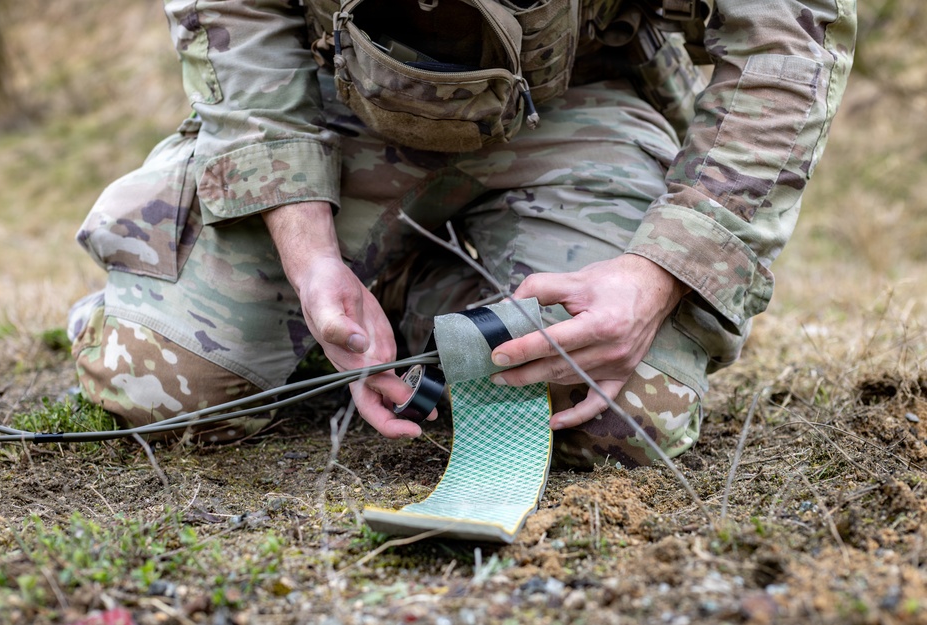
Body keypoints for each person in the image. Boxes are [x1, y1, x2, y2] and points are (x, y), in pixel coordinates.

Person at [67, 0, 855, 468]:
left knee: (613, 416)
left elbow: (788, 50)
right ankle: (370, 294)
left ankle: (437, 296)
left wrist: (654, 279)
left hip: (582, 106)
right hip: (333, 110)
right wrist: (310, 262)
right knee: (165, 386)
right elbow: (234, 17)